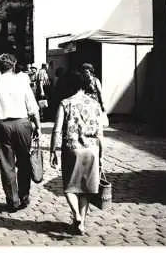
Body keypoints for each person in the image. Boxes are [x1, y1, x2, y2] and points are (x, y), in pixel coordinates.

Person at [0, 53, 42, 212]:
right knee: (24, 161)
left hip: (1, 126)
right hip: (22, 124)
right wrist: (38, 128)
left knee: (7, 164)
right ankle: (24, 195)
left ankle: (13, 200)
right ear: (14, 65)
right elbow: (33, 108)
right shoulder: (22, 83)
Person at [50, 71, 106, 235]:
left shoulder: (65, 103)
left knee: (70, 187)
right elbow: (100, 133)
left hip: (72, 149)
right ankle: (82, 221)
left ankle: (76, 216)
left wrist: (53, 151)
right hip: (92, 149)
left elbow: (56, 130)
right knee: (86, 189)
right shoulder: (95, 104)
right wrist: (101, 154)